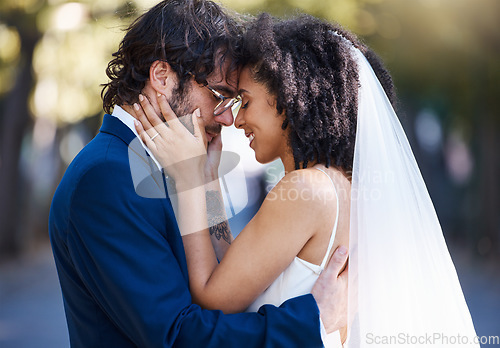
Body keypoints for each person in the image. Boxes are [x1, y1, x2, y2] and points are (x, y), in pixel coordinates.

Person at [134, 13, 479, 348]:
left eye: (246, 102)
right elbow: (231, 269)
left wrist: (190, 179)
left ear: (289, 100)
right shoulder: (340, 186)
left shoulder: (305, 190)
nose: (236, 121)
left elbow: (213, 298)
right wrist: (209, 179)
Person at [49, 1, 349, 347]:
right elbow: (178, 335)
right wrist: (312, 322)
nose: (226, 119)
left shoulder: (169, 164)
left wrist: (205, 185)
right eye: (219, 96)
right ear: (162, 77)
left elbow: (226, 276)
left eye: (236, 102)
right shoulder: (106, 177)